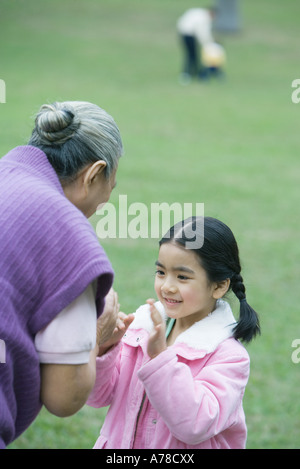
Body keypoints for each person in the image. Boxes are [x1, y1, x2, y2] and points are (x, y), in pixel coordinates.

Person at [0, 101, 124, 449]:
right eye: (110, 188)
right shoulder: (68, 238)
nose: (104, 203)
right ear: (93, 175)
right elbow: (64, 398)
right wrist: (97, 331)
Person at [87, 216, 260, 449]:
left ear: (219, 286)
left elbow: (195, 425)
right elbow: (98, 396)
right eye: (161, 272)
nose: (167, 285)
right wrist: (106, 346)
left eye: (182, 276)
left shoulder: (229, 357)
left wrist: (160, 359)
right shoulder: (141, 328)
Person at [176, 7, 216, 83]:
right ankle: (189, 73)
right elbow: (202, 32)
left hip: (184, 34)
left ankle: (193, 72)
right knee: (192, 55)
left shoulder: (198, 13)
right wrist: (208, 44)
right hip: (189, 34)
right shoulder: (204, 17)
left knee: (192, 54)